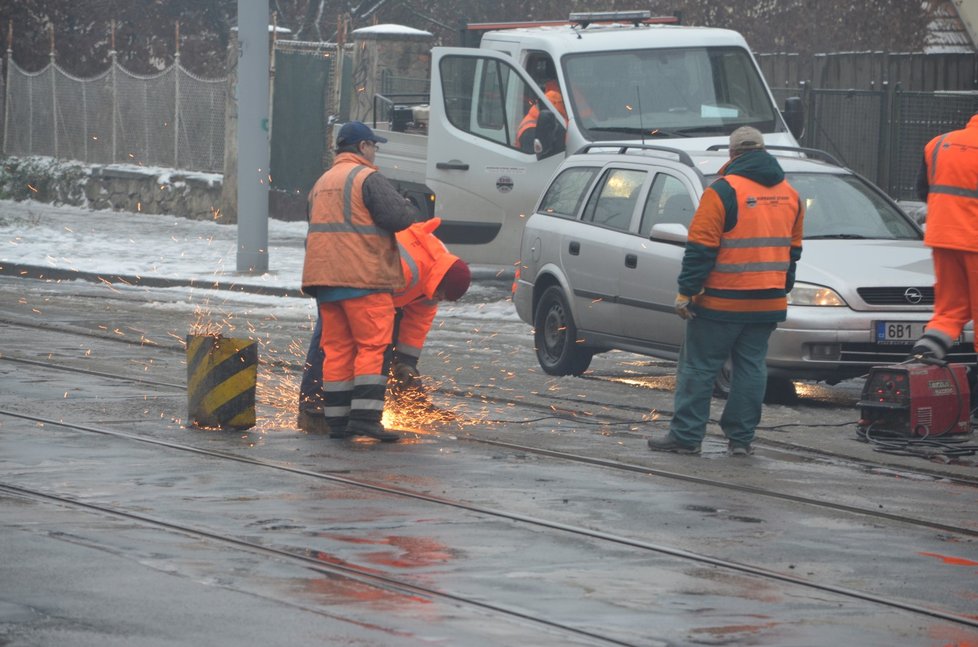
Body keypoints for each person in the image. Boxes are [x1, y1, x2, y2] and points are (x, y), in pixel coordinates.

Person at [647, 126, 804, 457]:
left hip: (721, 302)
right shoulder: (791, 194)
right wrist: (780, 288)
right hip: (767, 304)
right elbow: (793, 252)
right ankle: (741, 440)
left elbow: (701, 248)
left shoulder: (722, 191)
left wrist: (687, 291)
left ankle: (687, 437)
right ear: (763, 152)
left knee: (699, 368)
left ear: (732, 155)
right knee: (750, 370)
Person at [300, 121, 420, 442]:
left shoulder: (322, 182)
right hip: (363, 278)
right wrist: (409, 204)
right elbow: (397, 218)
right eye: (374, 146)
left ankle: (337, 420)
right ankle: (366, 418)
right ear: (363, 146)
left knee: (337, 349)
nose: (375, 152)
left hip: (325, 282)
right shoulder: (366, 177)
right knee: (372, 346)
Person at [298, 217, 471, 434]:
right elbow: (373, 317)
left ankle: (401, 403)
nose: (440, 299)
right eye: (442, 295)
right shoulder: (410, 268)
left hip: (382, 285)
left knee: (381, 346)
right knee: (336, 340)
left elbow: (416, 325)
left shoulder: (435, 276)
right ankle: (313, 405)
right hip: (345, 273)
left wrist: (405, 363)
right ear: (440, 283)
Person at [910, 114, 978, 369]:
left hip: (943, 237)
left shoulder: (938, 144)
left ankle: (925, 353)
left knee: (950, 310)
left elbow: (923, 191)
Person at [515, 61, 568, 153]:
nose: (563, 118)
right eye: (561, 114)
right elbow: (540, 156)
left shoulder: (542, 117)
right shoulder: (529, 131)